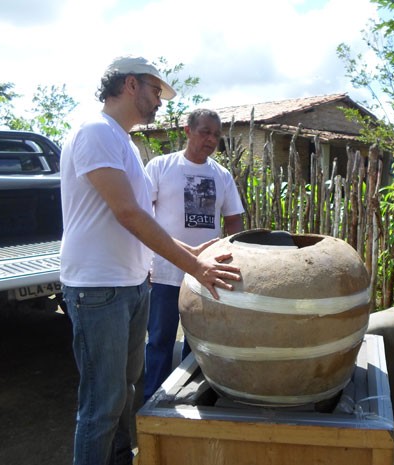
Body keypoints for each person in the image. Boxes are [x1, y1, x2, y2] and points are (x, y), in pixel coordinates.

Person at [59, 56, 241, 465]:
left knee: (122, 391)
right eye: (156, 91)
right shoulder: (95, 132)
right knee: (101, 405)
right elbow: (129, 213)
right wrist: (194, 267)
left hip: (128, 284)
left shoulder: (122, 141)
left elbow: (140, 218)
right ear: (130, 85)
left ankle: (121, 458)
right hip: (97, 287)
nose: (160, 101)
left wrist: (193, 252)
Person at [144, 108, 245, 401]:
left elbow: (234, 219)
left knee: (198, 341)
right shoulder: (161, 167)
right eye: (204, 132)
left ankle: (190, 398)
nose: (211, 139)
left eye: (216, 134)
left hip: (205, 275)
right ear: (188, 131)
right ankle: (155, 399)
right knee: (160, 340)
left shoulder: (221, 176)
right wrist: (147, 261)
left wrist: (228, 252)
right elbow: (143, 217)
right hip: (164, 270)